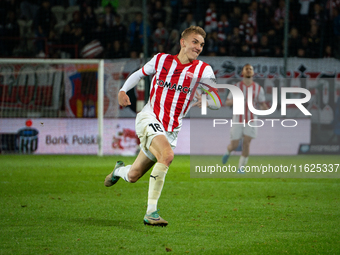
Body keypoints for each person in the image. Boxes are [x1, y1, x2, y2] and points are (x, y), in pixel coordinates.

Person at [104, 26, 221, 227]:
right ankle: (151, 213)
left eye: (201, 44)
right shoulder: (161, 60)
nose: (198, 47)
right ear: (182, 42)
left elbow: (217, 101)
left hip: (171, 130)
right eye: (195, 42)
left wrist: (207, 101)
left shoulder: (203, 70)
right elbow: (139, 74)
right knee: (167, 156)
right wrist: (123, 90)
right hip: (149, 118)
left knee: (133, 176)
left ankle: (118, 171)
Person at [222, 64, 268, 172]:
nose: (248, 71)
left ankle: (241, 167)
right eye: (246, 69)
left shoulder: (258, 89)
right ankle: (228, 152)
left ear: (253, 73)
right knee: (234, 145)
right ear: (242, 72)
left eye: (250, 69)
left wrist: (266, 109)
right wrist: (235, 100)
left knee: (246, 143)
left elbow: (262, 104)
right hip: (237, 120)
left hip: (251, 120)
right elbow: (227, 102)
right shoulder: (236, 87)